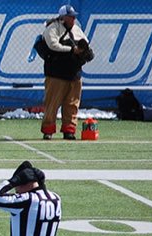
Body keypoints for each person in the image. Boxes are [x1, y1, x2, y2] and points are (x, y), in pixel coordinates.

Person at [40, 5, 91, 140]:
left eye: (74, 16)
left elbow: (86, 43)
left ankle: (69, 130)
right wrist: (72, 50)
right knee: (52, 104)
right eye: (70, 16)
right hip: (56, 74)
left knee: (72, 104)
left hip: (74, 73)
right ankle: (48, 130)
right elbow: (53, 45)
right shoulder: (52, 28)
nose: (73, 19)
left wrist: (86, 52)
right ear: (62, 17)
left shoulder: (76, 29)